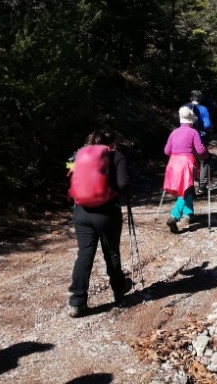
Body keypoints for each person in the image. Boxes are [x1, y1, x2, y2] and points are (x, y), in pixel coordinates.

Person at [67, 129, 132, 318]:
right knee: (111, 252)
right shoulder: (116, 156)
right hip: (107, 212)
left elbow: (68, 176)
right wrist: (125, 193)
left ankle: (77, 301)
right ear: (111, 143)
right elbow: (124, 184)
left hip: (81, 212)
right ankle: (119, 290)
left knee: (84, 254)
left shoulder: (75, 156)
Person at [163, 106, 209, 233]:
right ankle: (174, 216)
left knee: (187, 188)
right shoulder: (193, 132)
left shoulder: (174, 132)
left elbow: (167, 151)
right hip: (186, 164)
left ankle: (189, 213)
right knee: (185, 190)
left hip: (173, 163)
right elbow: (200, 150)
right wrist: (206, 155)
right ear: (191, 121)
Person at [188, 90, 212, 194]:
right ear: (200, 99)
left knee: (190, 162)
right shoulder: (203, 109)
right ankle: (202, 187)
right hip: (200, 139)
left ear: (191, 98)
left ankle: (190, 188)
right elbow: (207, 124)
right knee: (204, 161)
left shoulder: (185, 108)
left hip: (187, 140)